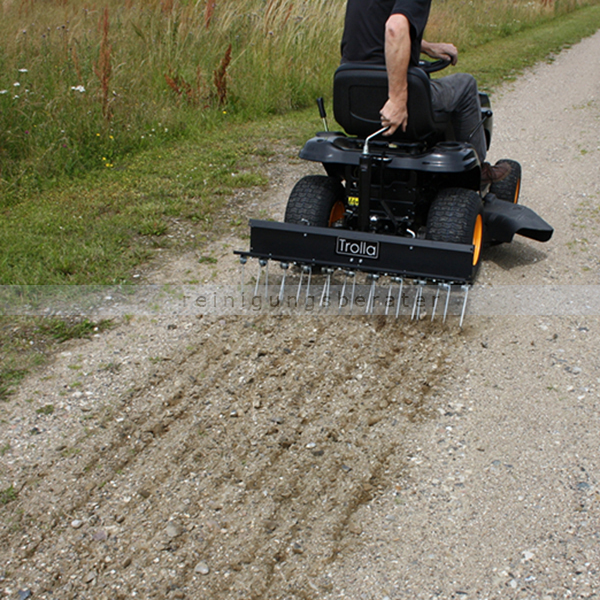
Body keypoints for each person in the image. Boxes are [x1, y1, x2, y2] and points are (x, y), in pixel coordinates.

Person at [340, 0, 510, 185]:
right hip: (390, 95)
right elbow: (394, 29)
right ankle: (479, 170)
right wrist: (397, 99)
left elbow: (376, 32)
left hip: (354, 95)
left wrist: (428, 47)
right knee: (466, 84)